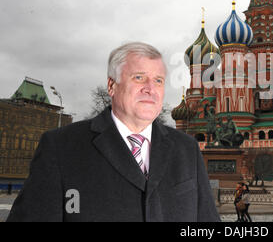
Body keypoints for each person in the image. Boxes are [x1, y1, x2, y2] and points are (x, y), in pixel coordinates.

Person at [7, 42, 220, 222]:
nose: (150, 89)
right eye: (139, 77)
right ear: (112, 86)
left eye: (158, 80)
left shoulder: (186, 149)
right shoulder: (61, 148)